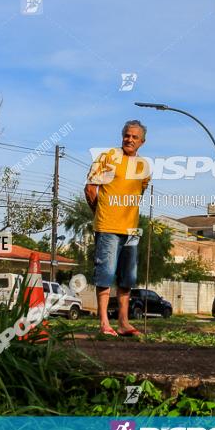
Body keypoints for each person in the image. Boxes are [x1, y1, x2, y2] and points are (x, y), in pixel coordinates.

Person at [85, 120, 151, 337]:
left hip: (131, 229)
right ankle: (104, 323)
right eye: (127, 135)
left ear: (142, 141)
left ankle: (123, 323)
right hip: (108, 226)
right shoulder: (108, 157)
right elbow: (90, 188)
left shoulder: (144, 167)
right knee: (105, 273)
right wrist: (101, 212)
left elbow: (139, 194)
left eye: (134, 137)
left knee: (127, 277)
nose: (129, 139)